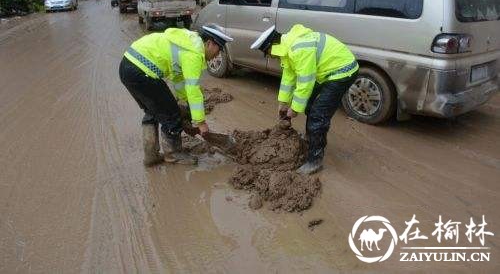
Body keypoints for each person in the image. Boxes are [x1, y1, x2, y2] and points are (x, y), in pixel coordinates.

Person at [119, 24, 233, 166]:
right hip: (141, 71)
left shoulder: (187, 42)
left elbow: (178, 78)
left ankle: (151, 155)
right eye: (219, 48)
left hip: (127, 67)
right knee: (171, 113)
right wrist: (201, 122)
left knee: (153, 110)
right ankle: (173, 154)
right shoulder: (194, 53)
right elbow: (193, 89)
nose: (218, 54)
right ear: (209, 43)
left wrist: (185, 102)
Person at [251, 24, 358, 174]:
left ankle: (315, 160)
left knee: (318, 114)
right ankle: (312, 138)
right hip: (326, 71)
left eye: (268, 54)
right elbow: (288, 78)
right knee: (308, 105)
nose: (270, 57)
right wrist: (283, 103)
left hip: (341, 71)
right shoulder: (288, 49)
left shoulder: (299, 48)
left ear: (272, 47)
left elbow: (305, 82)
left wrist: (293, 110)